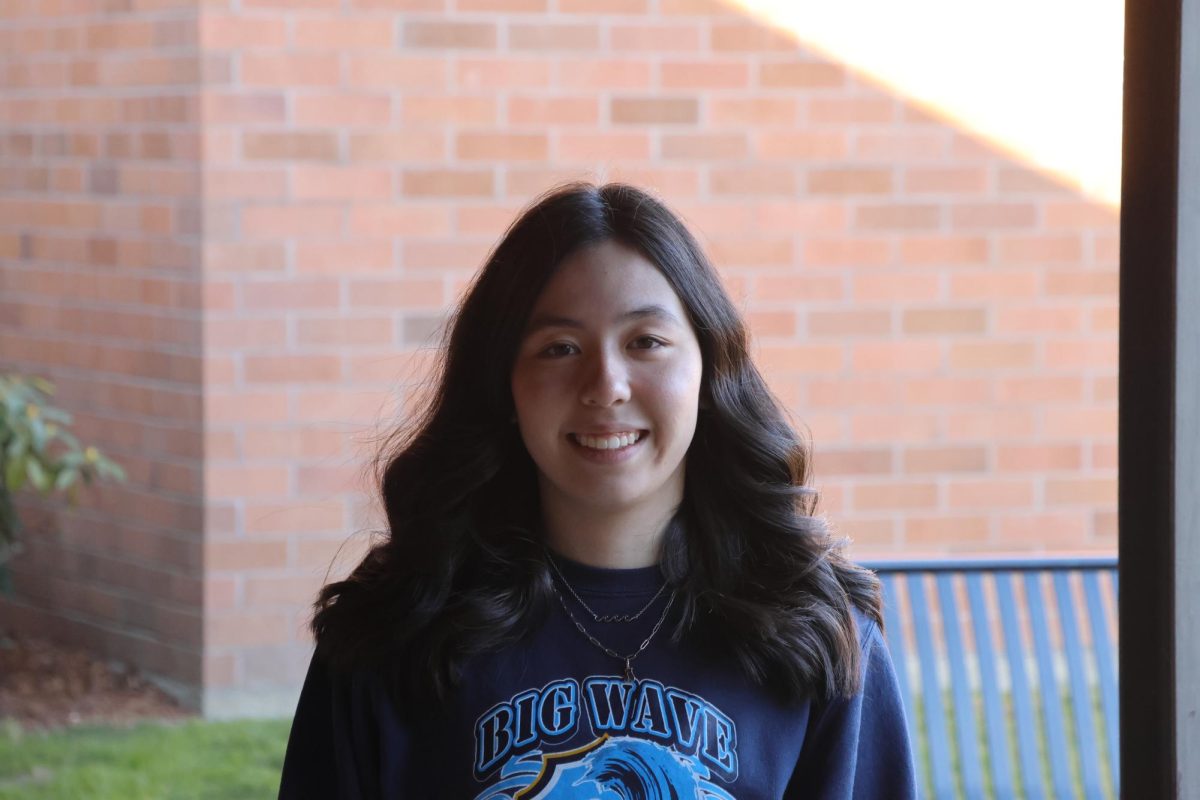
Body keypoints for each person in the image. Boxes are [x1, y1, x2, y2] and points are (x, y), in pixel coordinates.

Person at [278, 183, 917, 799]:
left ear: (709, 369)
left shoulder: (819, 632)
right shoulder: (396, 625)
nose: (606, 384)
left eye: (646, 342)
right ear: (504, 385)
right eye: (559, 347)